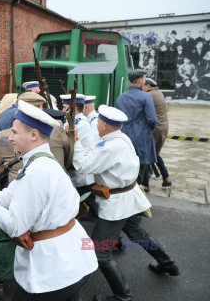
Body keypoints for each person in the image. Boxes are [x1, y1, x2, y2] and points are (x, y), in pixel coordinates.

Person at [0, 100, 98, 301]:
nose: (10, 138)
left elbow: (17, 227)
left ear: (34, 134)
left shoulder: (36, 171)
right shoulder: (39, 162)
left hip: (53, 273)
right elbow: (8, 198)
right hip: (71, 263)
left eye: (15, 132)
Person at [72, 105, 179, 301]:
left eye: (99, 122)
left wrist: (76, 140)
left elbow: (83, 166)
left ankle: (123, 296)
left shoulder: (110, 146)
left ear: (104, 125)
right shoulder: (120, 138)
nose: (96, 124)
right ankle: (168, 264)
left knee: (100, 252)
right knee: (138, 234)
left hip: (116, 203)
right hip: (129, 197)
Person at [116, 70, 157, 192]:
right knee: (140, 171)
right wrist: (147, 130)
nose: (144, 82)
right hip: (141, 139)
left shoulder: (120, 98)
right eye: (144, 79)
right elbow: (153, 120)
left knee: (125, 169)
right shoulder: (146, 96)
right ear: (139, 81)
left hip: (124, 137)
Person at [61, 93, 98, 218]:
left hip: (82, 167)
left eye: (64, 107)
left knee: (87, 193)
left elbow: (69, 144)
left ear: (72, 108)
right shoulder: (74, 121)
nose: (62, 110)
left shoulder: (81, 124)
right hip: (77, 166)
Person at [145, 78, 172, 187]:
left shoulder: (150, 95)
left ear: (148, 86)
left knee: (147, 154)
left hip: (155, 129)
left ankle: (145, 184)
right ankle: (166, 177)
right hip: (163, 127)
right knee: (154, 153)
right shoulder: (159, 93)